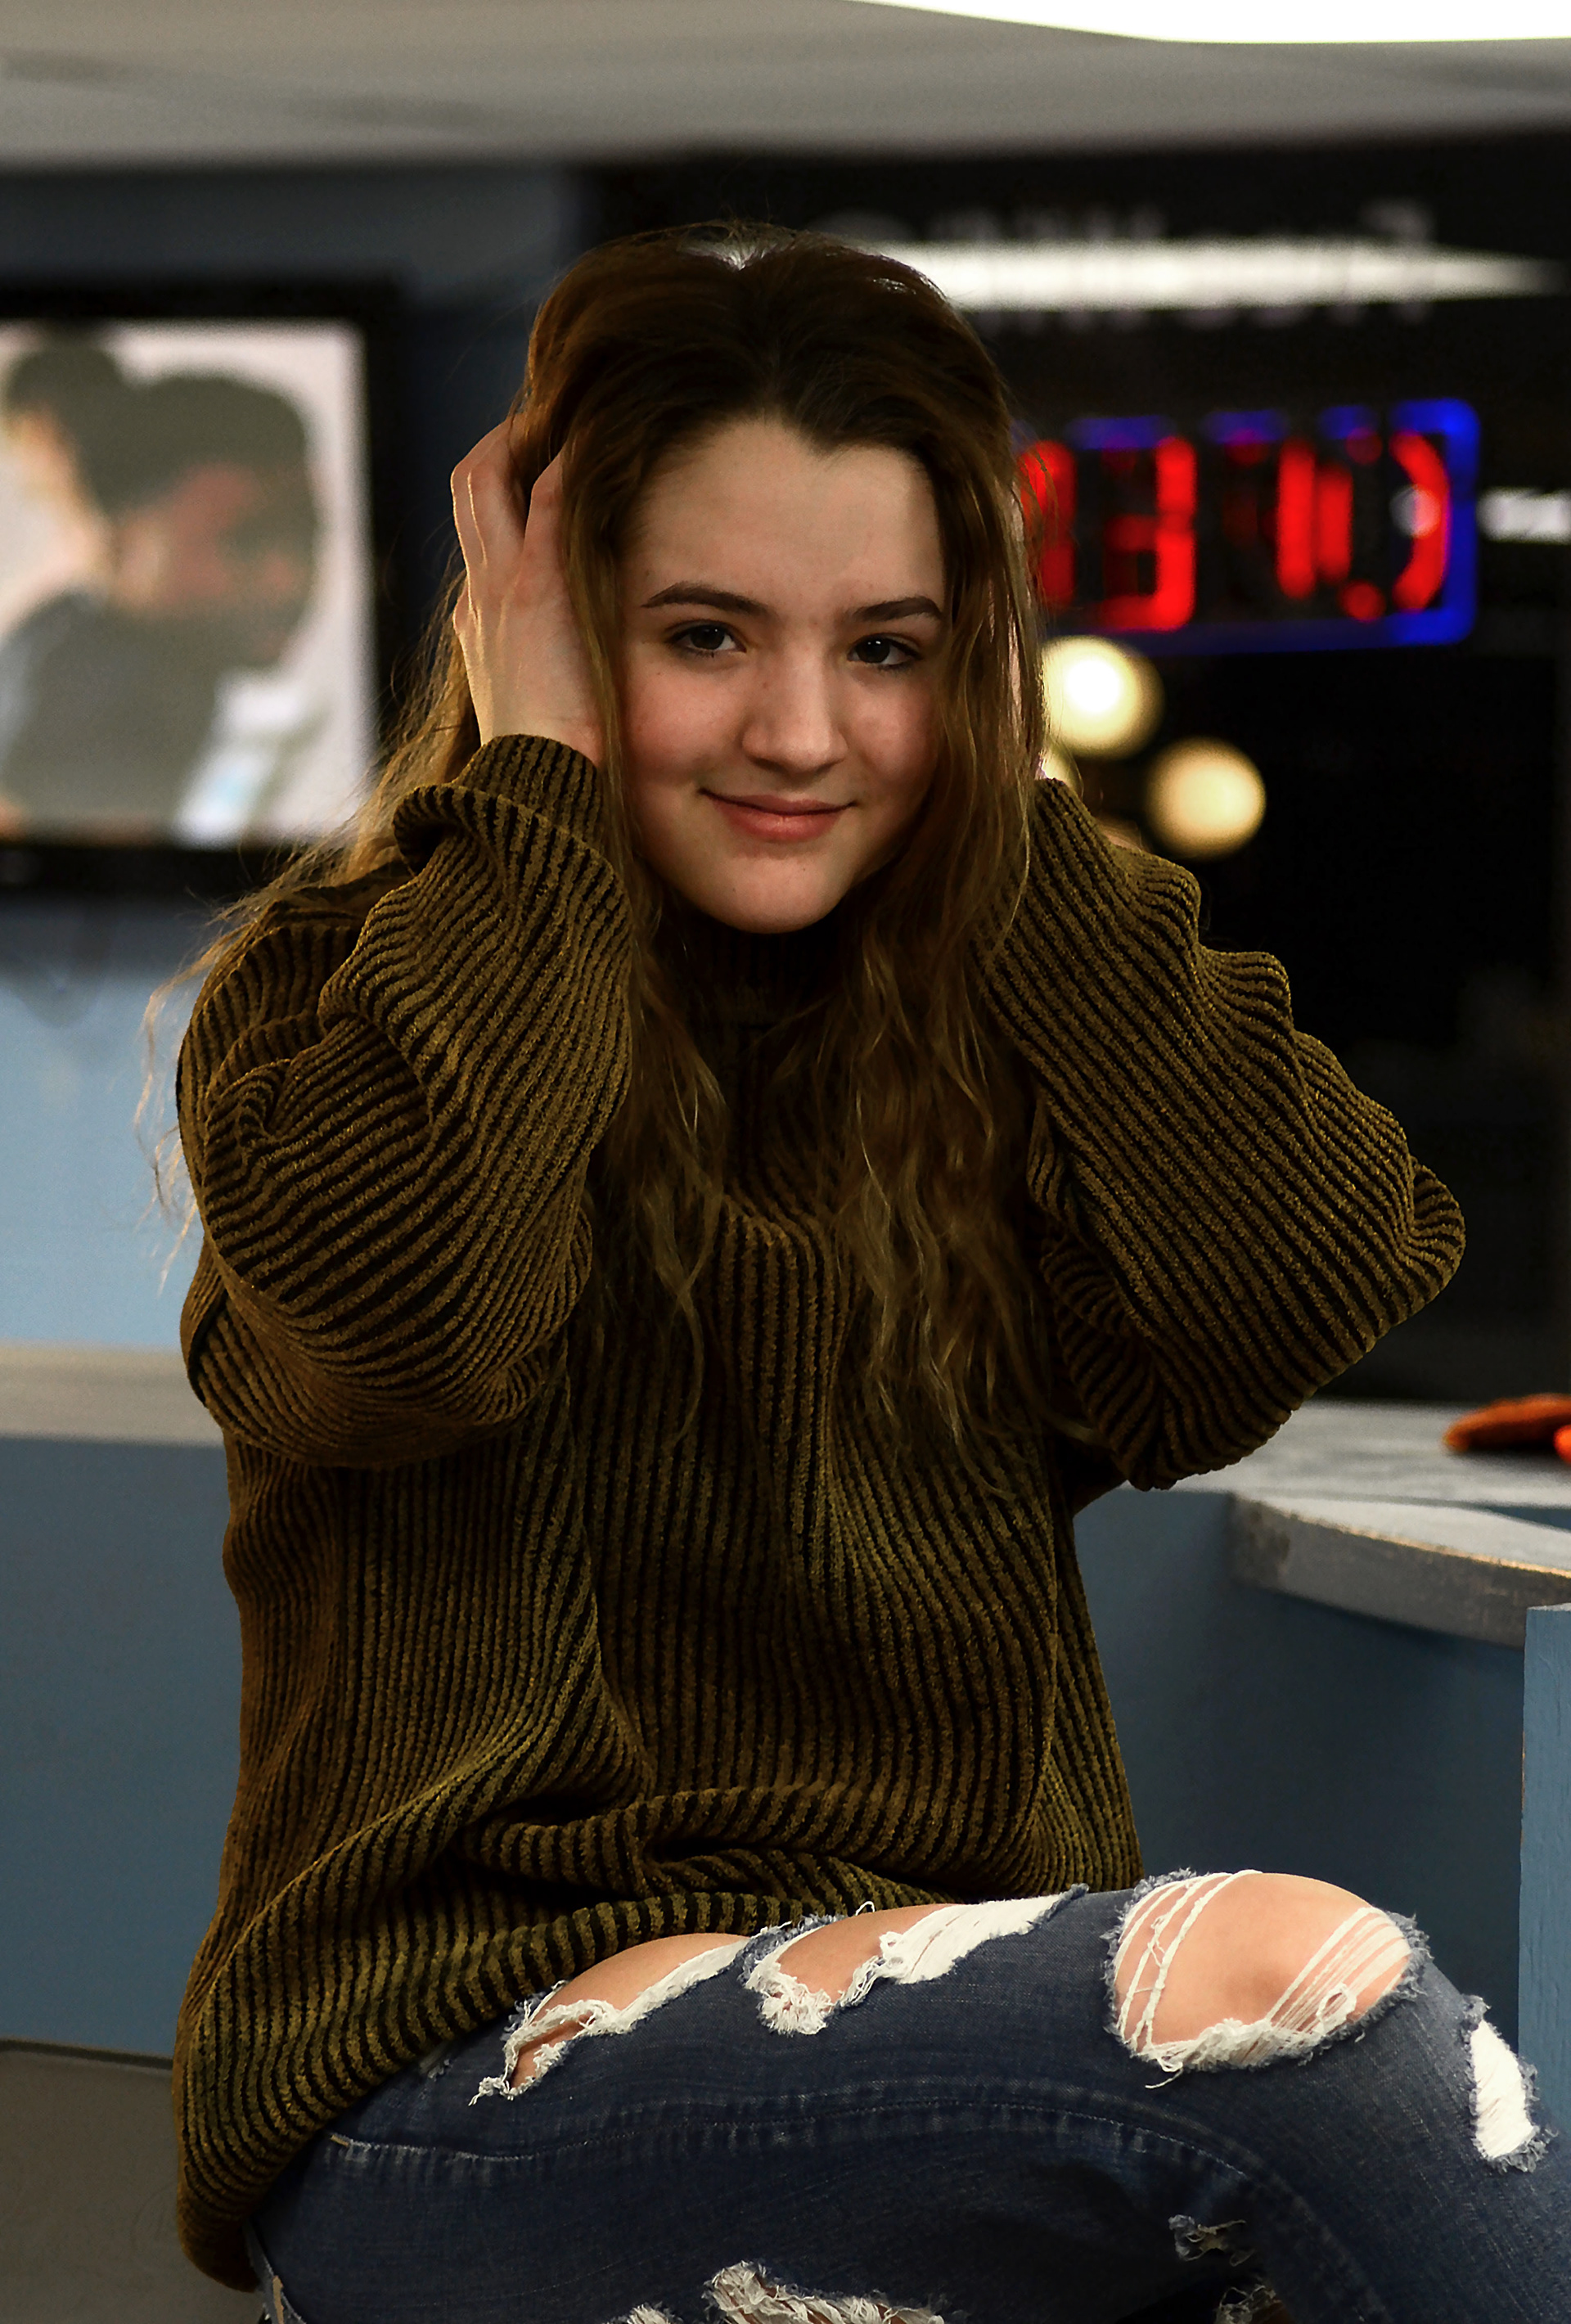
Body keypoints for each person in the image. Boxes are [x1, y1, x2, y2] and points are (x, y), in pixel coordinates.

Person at [167, 227, 1563, 2324]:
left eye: (892, 648)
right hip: (454, 2086)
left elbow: (1295, 1279)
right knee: (1293, 1997)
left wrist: (997, 810)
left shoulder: (984, 1027)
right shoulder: (333, 992)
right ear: (547, 627)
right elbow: (412, 1327)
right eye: (702, 634)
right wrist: (539, 783)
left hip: (931, 2079)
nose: (803, 728)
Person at [0, 347, 318, 836]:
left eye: (306, 534)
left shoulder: (81, 641)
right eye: (245, 541)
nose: (289, 579)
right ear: (127, 539)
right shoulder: (87, 692)